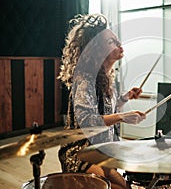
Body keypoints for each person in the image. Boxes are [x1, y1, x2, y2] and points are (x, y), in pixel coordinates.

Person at [57, 13, 146, 189]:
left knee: (125, 187)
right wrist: (122, 116)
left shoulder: (106, 77)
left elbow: (107, 110)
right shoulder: (84, 80)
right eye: (111, 42)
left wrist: (125, 97)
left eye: (117, 40)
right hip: (80, 151)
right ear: (96, 50)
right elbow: (89, 121)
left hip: (101, 149)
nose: (120, 44)